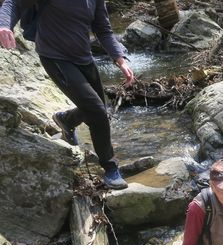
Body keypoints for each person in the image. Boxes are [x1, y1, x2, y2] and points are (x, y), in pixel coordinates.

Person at [0, 0, 134, 189]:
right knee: (97, 111)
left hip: (84, 59)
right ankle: (110, 168)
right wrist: (4, 25)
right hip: (55, 57)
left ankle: (67, 120)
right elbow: (14, 3)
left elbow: (103, 30)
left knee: (98, 110)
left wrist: (120, 60)